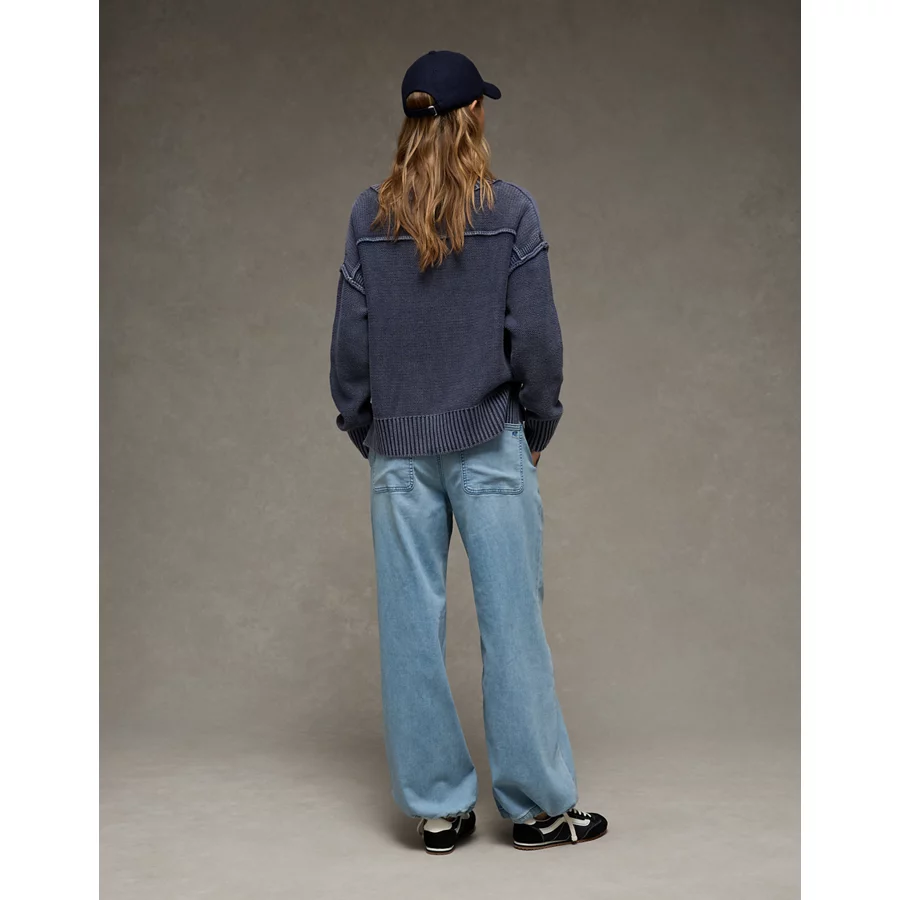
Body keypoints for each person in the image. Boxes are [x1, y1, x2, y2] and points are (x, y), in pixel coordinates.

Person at [329, 49, 608, 854]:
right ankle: (538, 809)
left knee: (409, 630)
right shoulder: (510, 212)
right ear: (474, 115)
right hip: (491, 443)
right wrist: (536, 427)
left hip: (399, 452)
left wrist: (370, 429)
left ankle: (438, 809)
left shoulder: (370, 217)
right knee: (513, 625)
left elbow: (350, 344)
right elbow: (538, 342)